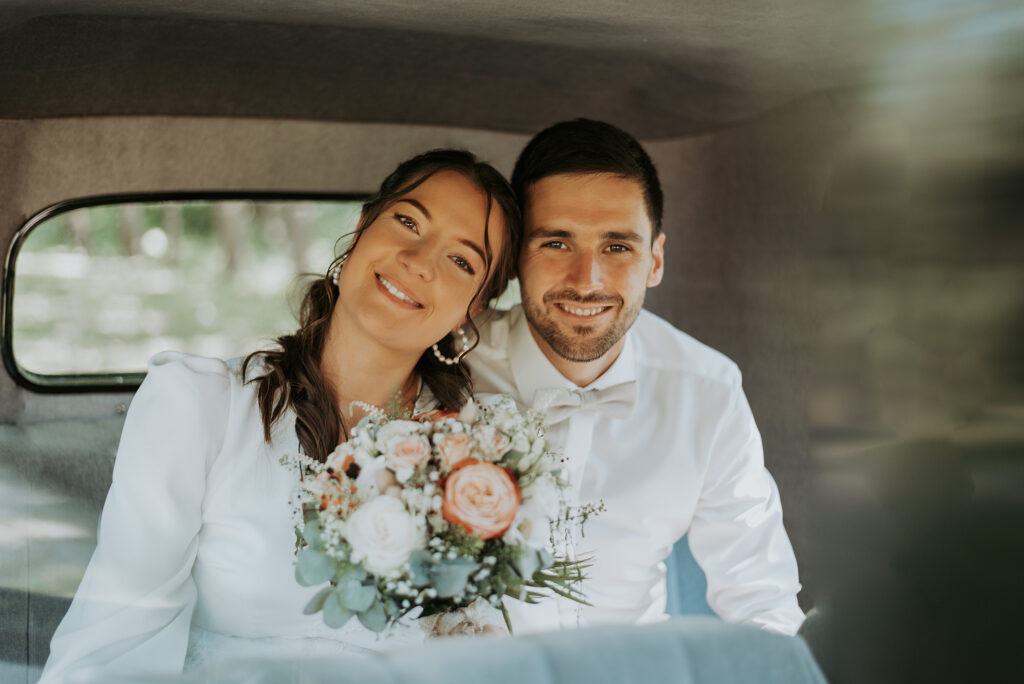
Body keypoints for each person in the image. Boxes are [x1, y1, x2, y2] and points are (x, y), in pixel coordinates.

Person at [40, 149, 522, 682]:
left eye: (461, 261)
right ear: (363, 227)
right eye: (407, 221)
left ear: (475, 307)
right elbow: (116, 643)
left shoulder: (481, 461)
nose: (419, 260)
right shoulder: (201, 408)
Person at [466, 119, 806, 635]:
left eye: (617, 247)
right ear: (515, 257)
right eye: (556, 244)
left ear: (656, 259)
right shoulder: (445, 366)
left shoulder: (708, 391)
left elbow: (762, 597)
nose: (588, 281)